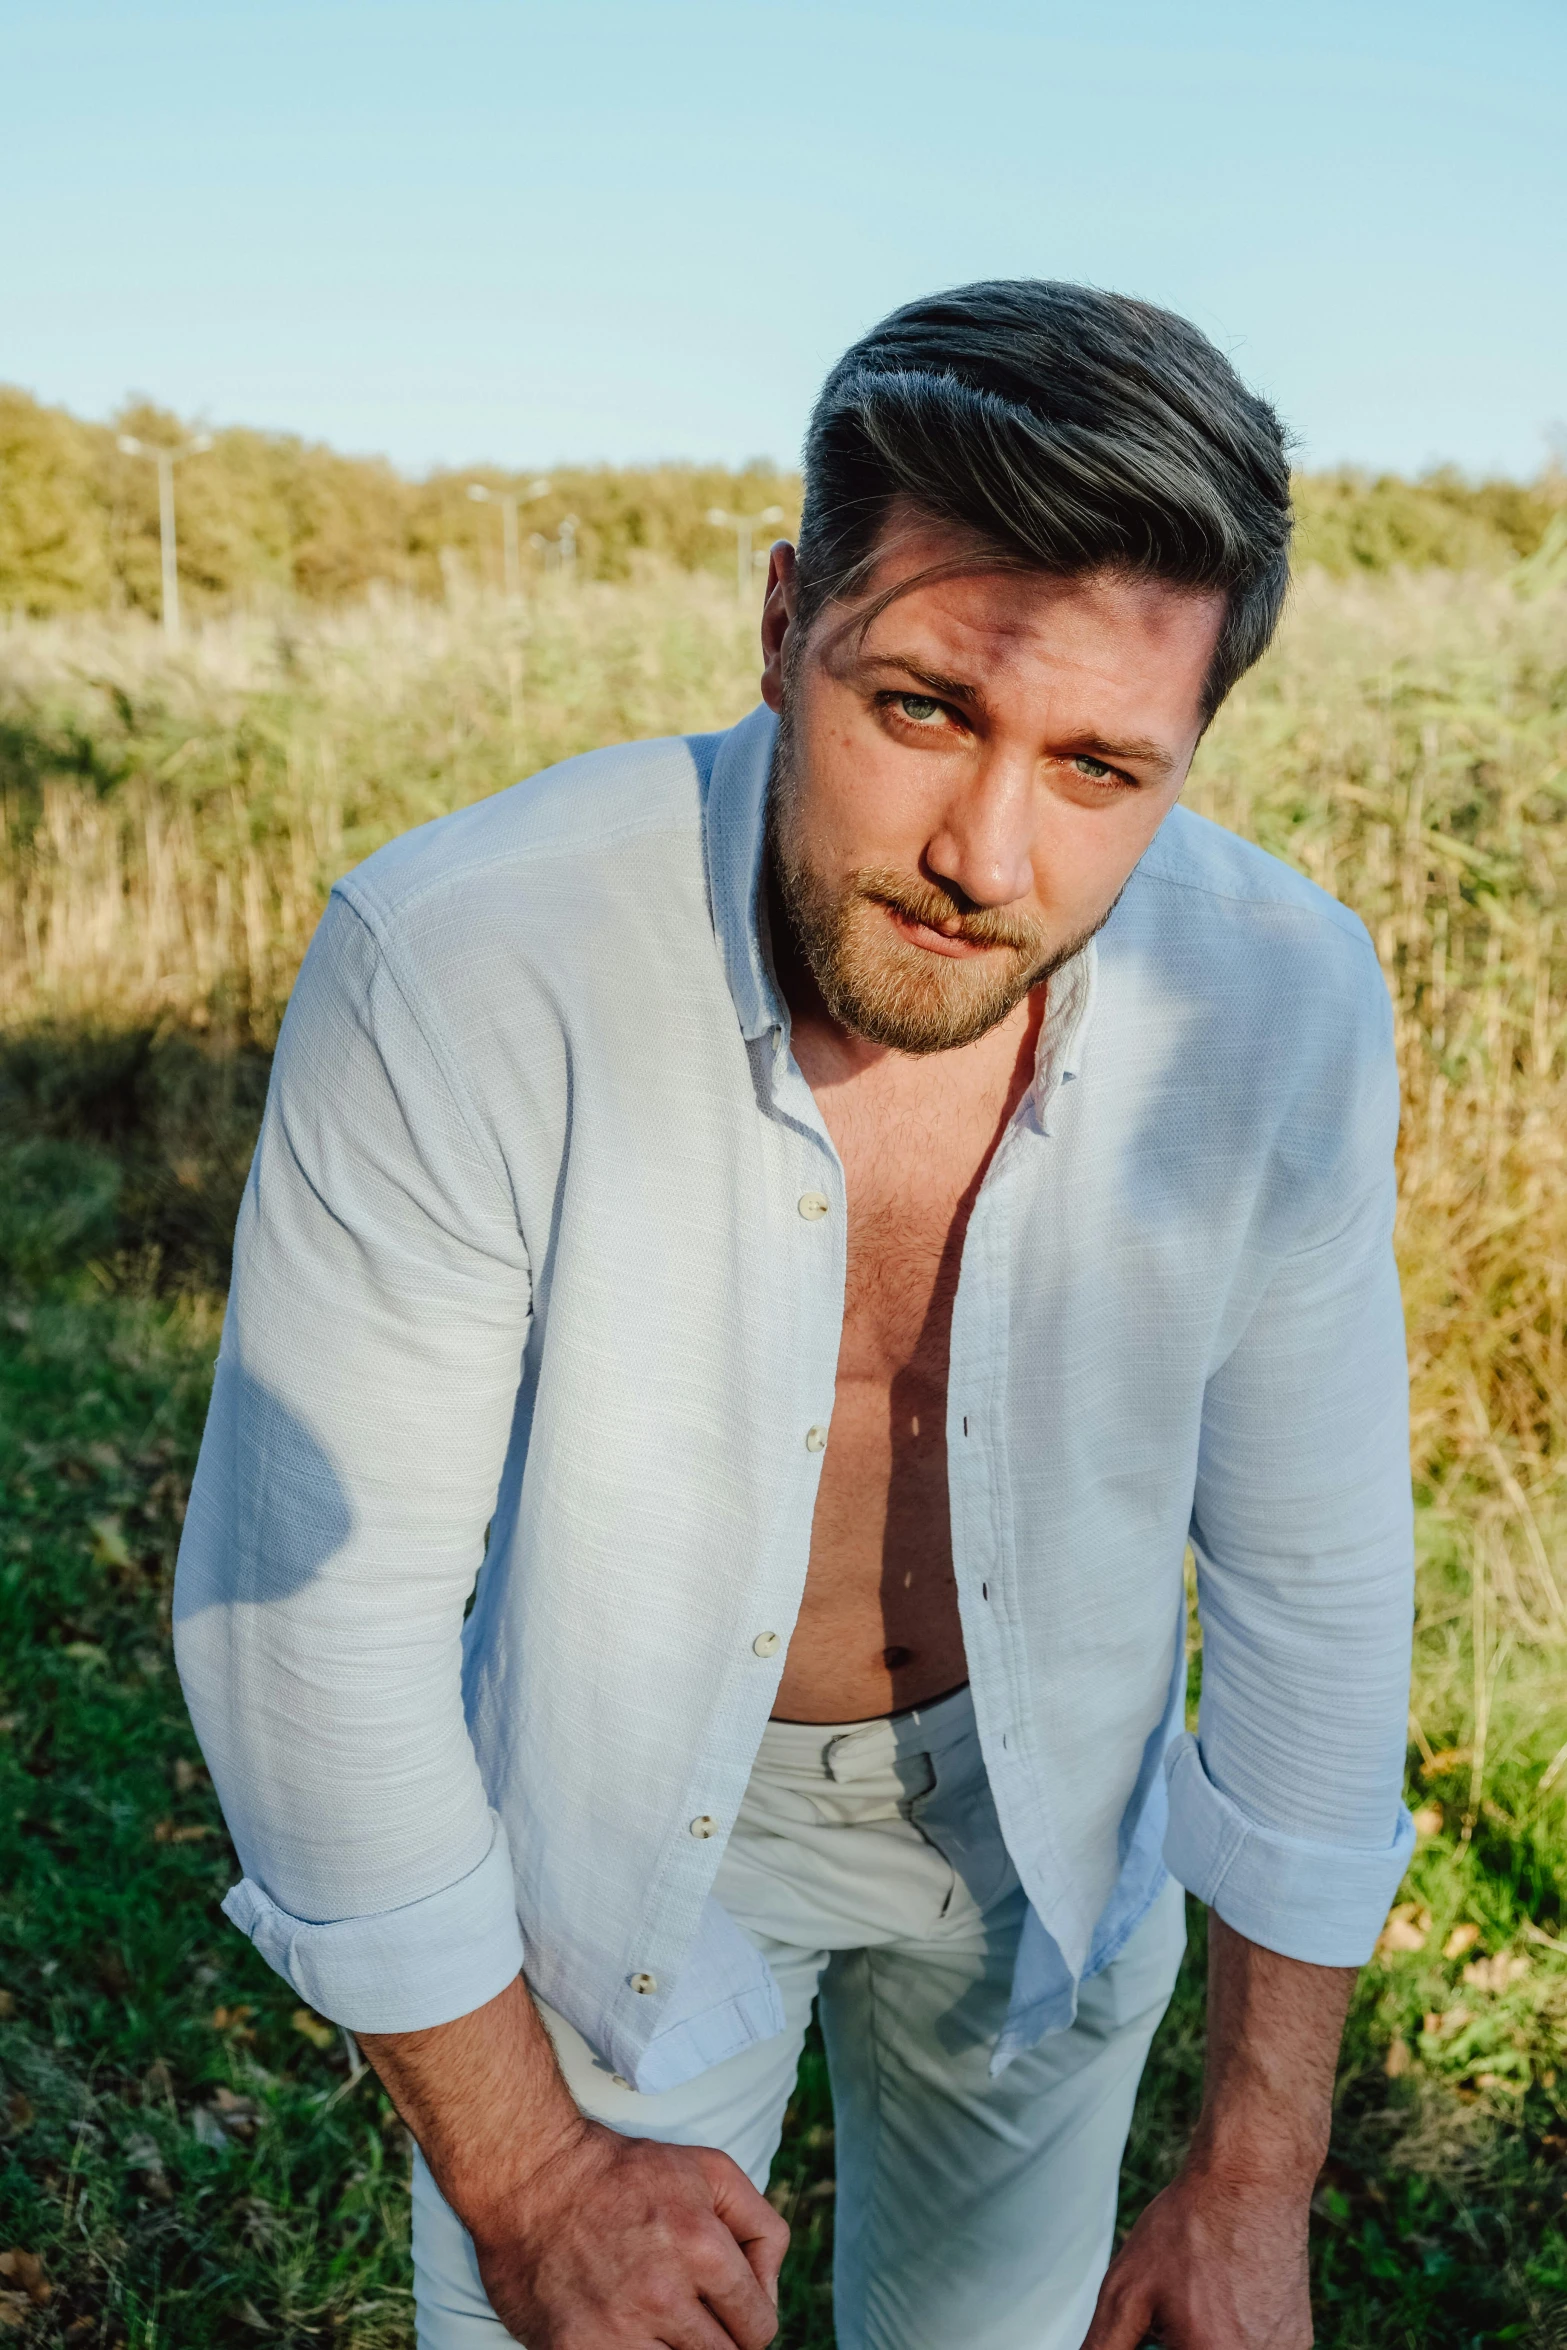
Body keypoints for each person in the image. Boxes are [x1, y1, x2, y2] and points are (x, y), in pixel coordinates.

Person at [173, 280, 1416, 2350]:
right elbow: (310, 1614)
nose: (986, 856)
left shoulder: (1285, 996)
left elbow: (1315, 1574)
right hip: (615, 1822)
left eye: (1106, 764)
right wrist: (531, 2168)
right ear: (779, 627)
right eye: (922, 704)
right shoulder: (469, 957)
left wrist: (1256, 2169)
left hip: (1053, 1824)